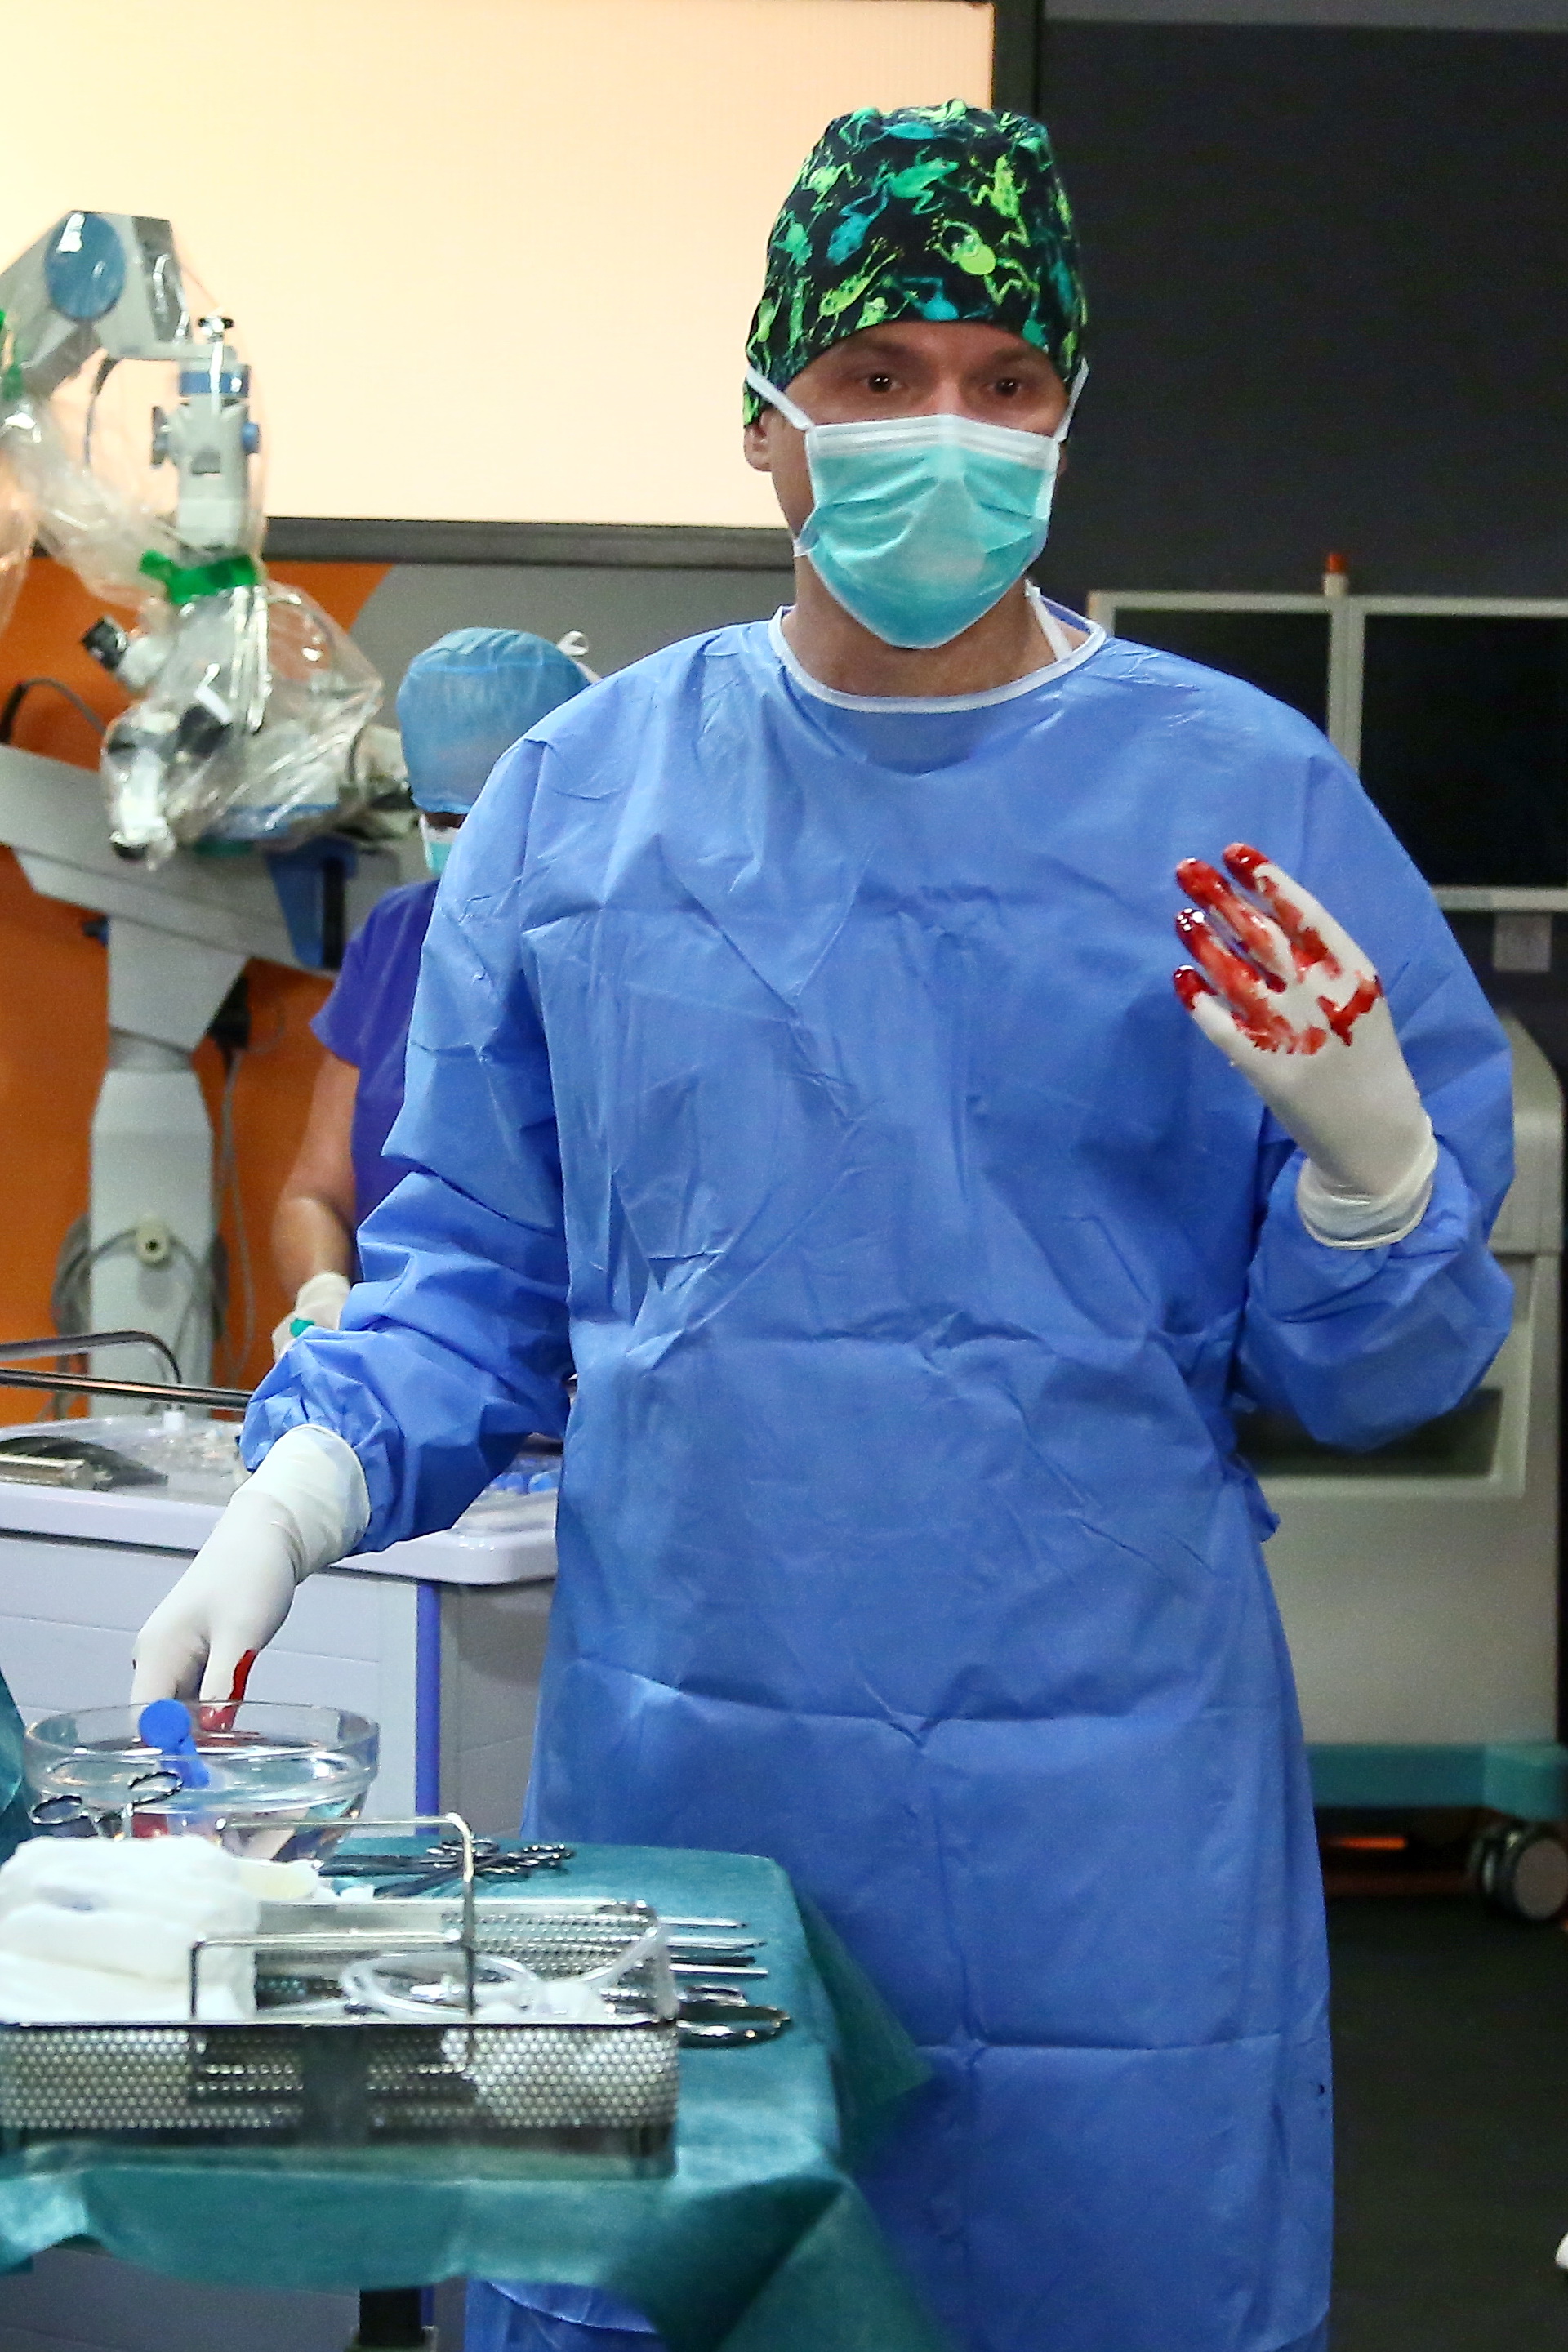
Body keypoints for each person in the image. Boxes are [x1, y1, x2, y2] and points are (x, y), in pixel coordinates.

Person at [131, 102, 1514, 2352]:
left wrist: (1377, 1182)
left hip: (1106, 1836)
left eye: (1004, 379)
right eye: (878, 376)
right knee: (662, 2288)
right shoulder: (585, 804)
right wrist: (289, 1499)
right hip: (691, 1784)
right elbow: (470, 1281)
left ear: (1067, 419)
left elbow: (1377, 1372)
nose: (942, 430)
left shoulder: (1239, 805)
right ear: (767, 422)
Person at [270, 628, 590, 1356]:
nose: (464, 843)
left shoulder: (618, 947)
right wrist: (322, 1292)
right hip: (404, 1360)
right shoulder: (397, 936)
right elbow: (315, 1194)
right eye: (442, 820)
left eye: (488, 817)